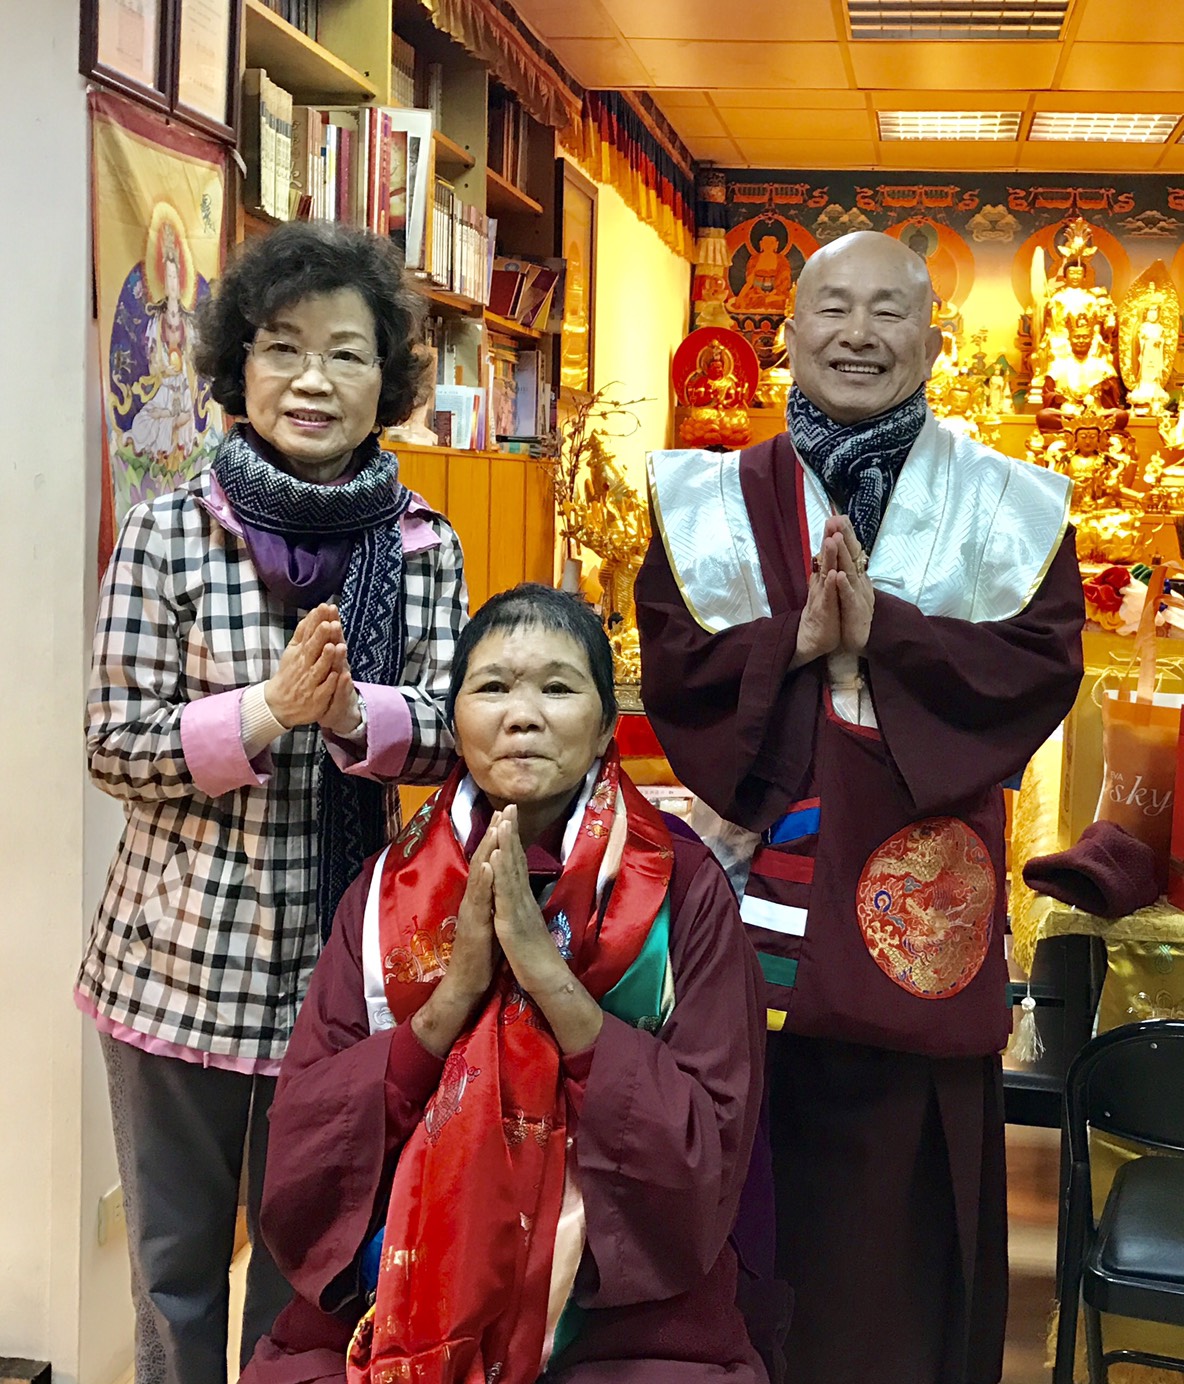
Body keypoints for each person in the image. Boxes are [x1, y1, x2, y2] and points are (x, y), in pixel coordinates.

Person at [635, 230, 1085, 1384]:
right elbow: (674, 659)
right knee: (739, 1173)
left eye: (888, 311)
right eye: (831, 308)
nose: (857, 334)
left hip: (917, 905)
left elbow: (1038, 665)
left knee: (899, 1228)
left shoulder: (1004, 504)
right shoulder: (709, 498)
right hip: (760, 900)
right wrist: (792, 642)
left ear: (933, 340)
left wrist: (888, 633)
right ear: (785, 333)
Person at [78, 220, 467, 1384]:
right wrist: (265, 711)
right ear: (237, 366)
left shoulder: (423, 544)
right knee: (174, 1268)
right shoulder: (167, 530)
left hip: (344, 976)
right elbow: (113, 742)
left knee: (310, 1271)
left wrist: (351, 717)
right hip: (176, 962)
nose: (312, 379)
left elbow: (451, 733)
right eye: (283, 348)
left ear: (387, 379)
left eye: (347, 353)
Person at [240, 584, 768, 1384]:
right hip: (389, 1282)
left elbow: (709, 1146)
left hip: (620, 1311)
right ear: (456, 724)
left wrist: (550, 980)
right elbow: (307, 1135)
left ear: (605, 727)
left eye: (558, 687)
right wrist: (452, 997)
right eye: (492, 687)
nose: (523, 715)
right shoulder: (385, 893)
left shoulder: (683, 890)